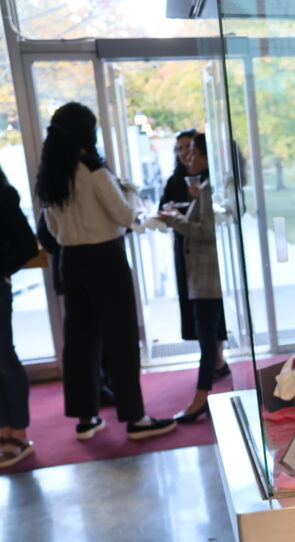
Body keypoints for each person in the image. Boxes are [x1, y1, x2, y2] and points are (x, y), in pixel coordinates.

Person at [36, 102, 176, 440]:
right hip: (104, 257)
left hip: (71, 259)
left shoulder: (52, 171)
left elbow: (52, 229)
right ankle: (135, 418)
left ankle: (86, 419)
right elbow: (124, 215)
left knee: (80, 341)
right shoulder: (91, 167)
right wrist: (127, 189)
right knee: (121, 337)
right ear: (87, 131)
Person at [158, 133, 227, 422]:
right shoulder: (205, 187)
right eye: (183, 152)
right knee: (207, 336)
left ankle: (201, 398)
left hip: (206, 276)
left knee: (207, 338)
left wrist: (174, 219)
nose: (187, 157)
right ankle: (205, 391)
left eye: (192, 151)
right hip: (202, 275)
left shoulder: (210, 188)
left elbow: (204, 231)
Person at [0, 164, 37, 466]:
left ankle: (19, 432)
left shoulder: (3, 194)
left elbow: (26, 245)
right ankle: (3, 429)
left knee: (4, 358)